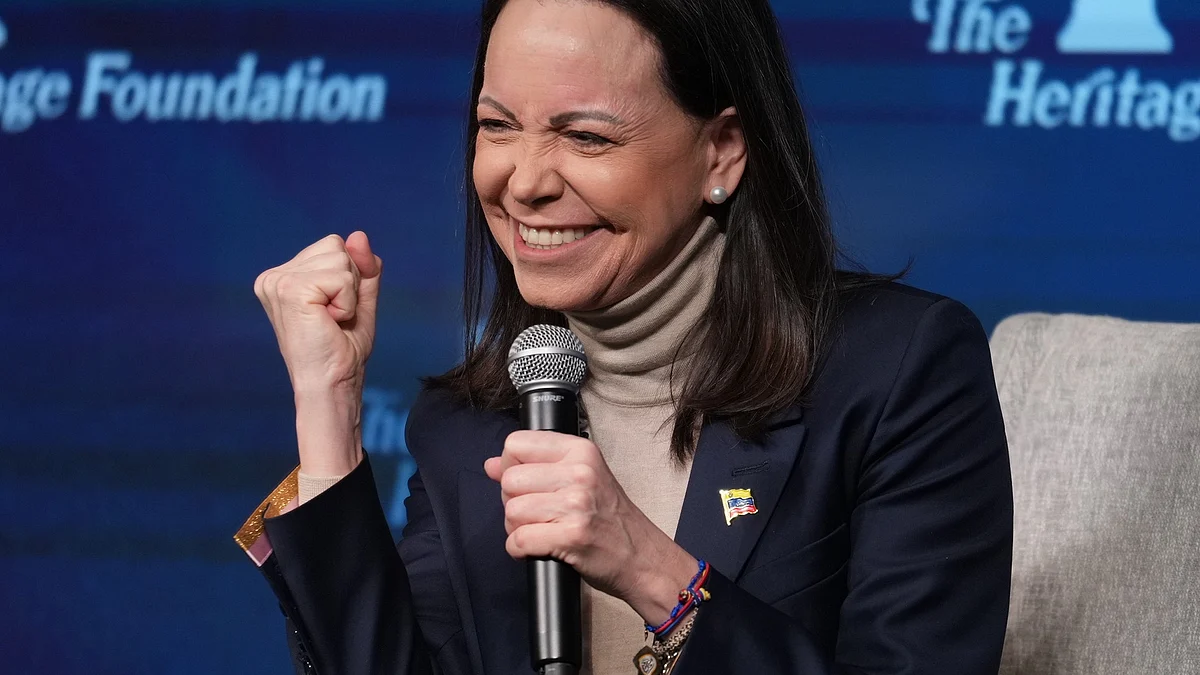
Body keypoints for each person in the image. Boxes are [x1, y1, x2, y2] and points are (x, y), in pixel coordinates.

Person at [234, 0, 1014, 673]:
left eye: (586, 137)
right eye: (497, 125)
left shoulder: (897, 369)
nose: (526, 180)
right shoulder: (469, 422)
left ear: (722, 151)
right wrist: (329, 407)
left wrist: (651, 569)